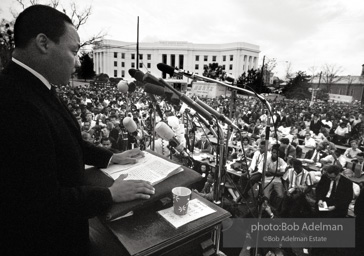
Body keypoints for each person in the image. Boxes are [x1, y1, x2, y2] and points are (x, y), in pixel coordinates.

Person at [0, 5, 155, 255]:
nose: (77, 61)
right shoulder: (14, 101)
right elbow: (41, 201)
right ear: (43, 43)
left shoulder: (37, 85)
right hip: (45, 243)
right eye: (73, 51)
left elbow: (65, 139)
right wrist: (109, 195)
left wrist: (110, 156)